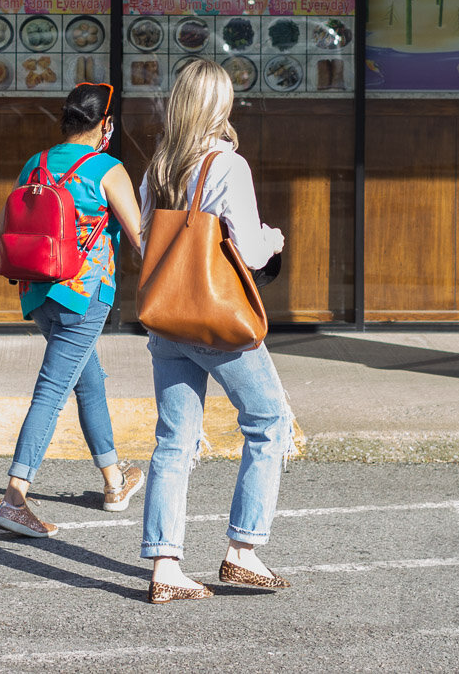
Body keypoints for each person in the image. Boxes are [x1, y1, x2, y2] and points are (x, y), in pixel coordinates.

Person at [138, 59, 295, 603]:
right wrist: (273, 239)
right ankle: (242, 551)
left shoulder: (157, 167)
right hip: (215, 322)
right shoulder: (227, 166)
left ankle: (165, 566)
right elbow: (248, 250)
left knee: (173, 441)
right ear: (220, 106)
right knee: (269, 420)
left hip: (166, 319)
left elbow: (144, 244)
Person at [0, 81, 145, 539]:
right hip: (84, 294)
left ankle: (115, 482)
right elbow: (140, 239)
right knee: (53, 390)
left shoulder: (35, 163)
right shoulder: (107, 168)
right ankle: (15, 498)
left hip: (37, 293)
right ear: (105, 125)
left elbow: (4, 226)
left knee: (89, 379)